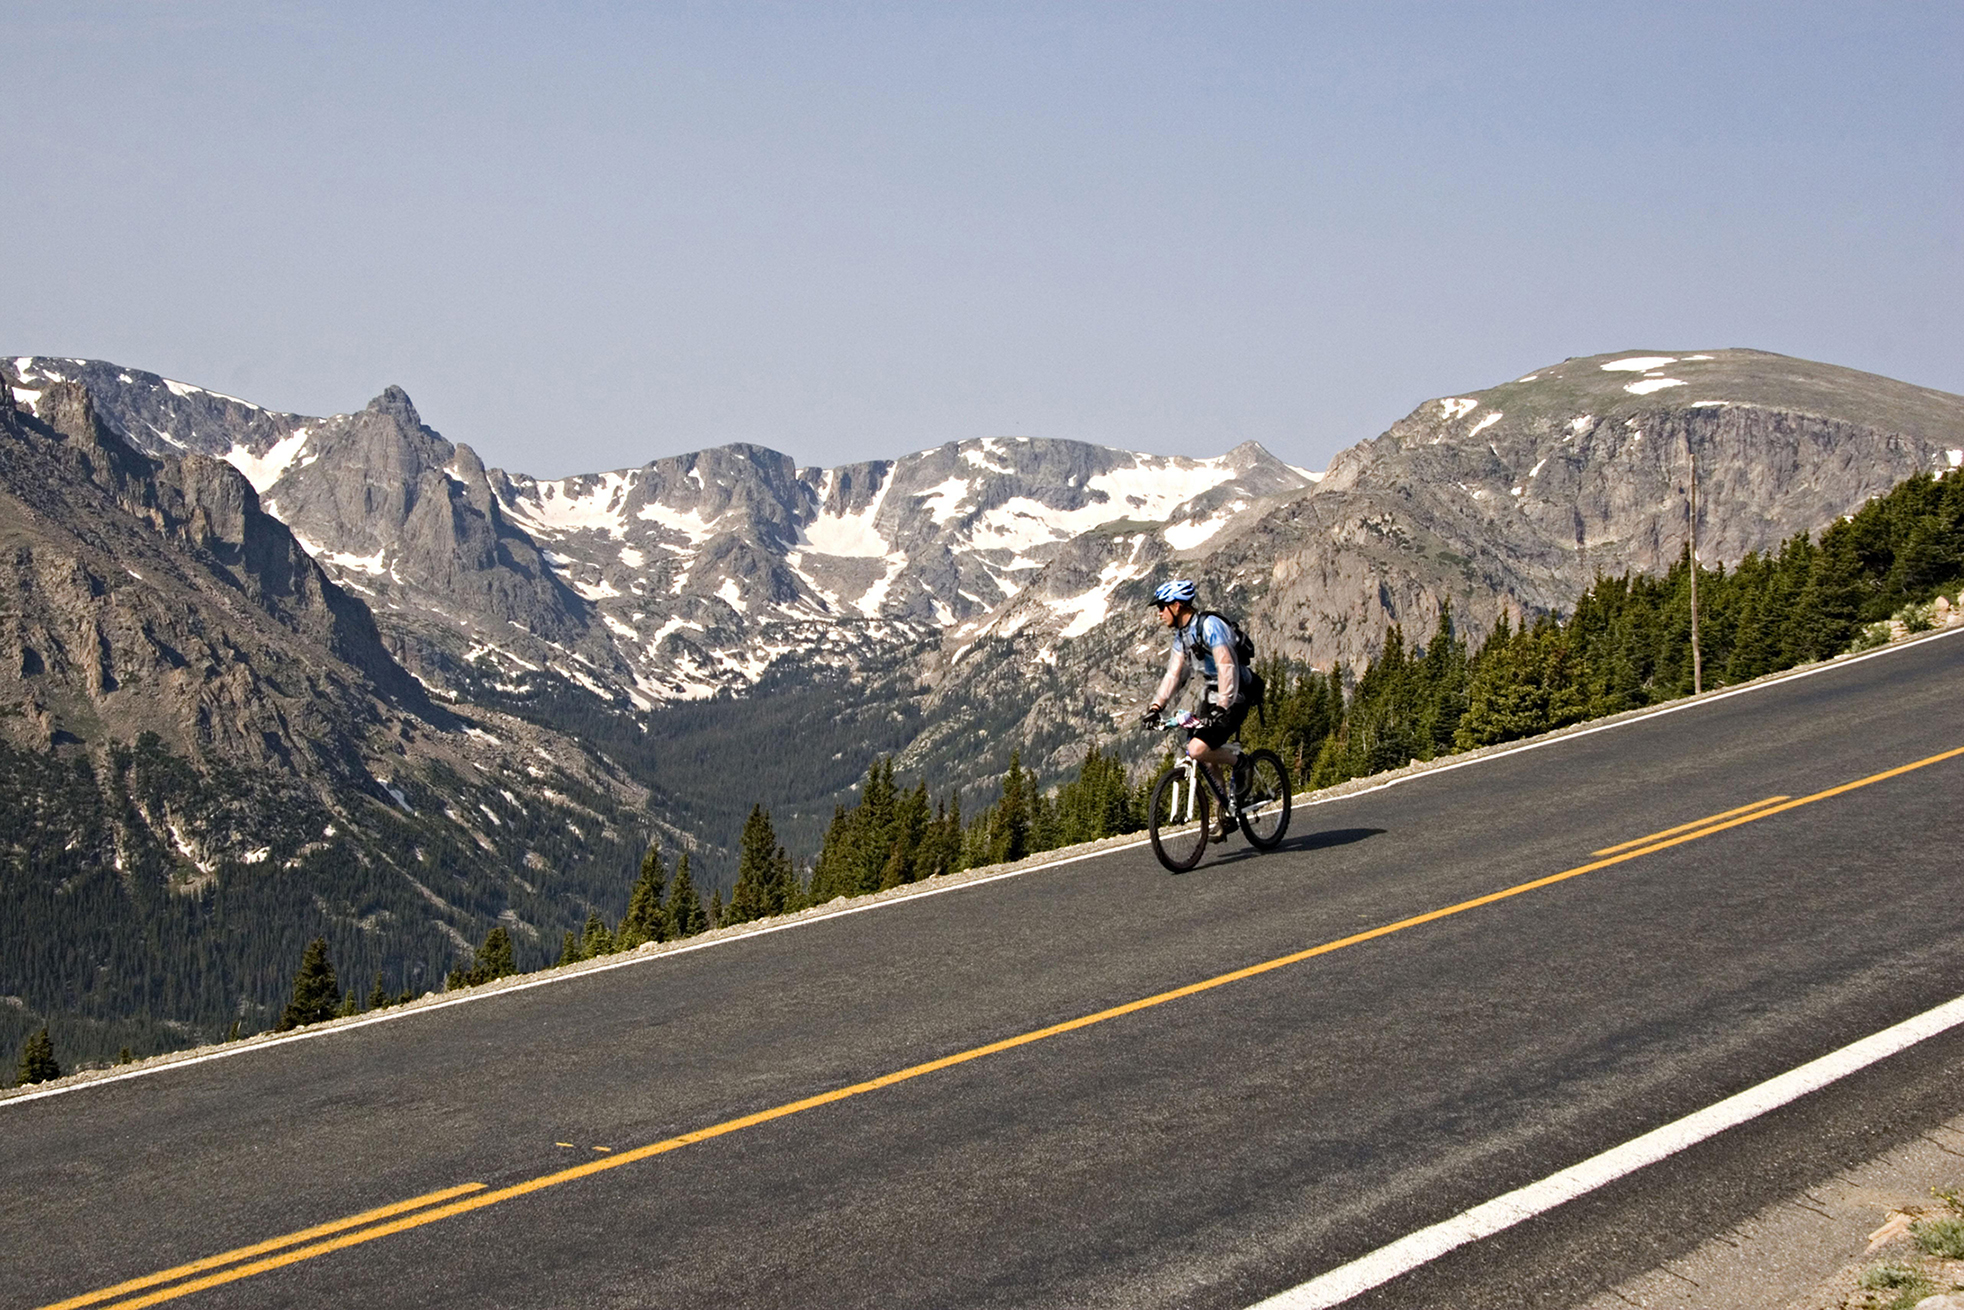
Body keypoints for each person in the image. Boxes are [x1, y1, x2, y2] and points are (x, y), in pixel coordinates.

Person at [1139, 579, 1252, 840]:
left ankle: (1241, 763)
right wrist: (1156, 706)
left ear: (1177, 606)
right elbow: (1174, 675)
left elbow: (1227, 667)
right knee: (1203, 754)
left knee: (1197, 749)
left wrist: (1223, 706)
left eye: (1161, 607)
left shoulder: (1210, 626)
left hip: (1236, 693)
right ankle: (1223, 812)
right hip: (1211, 694)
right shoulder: (1182, 635)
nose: (1159, 613)